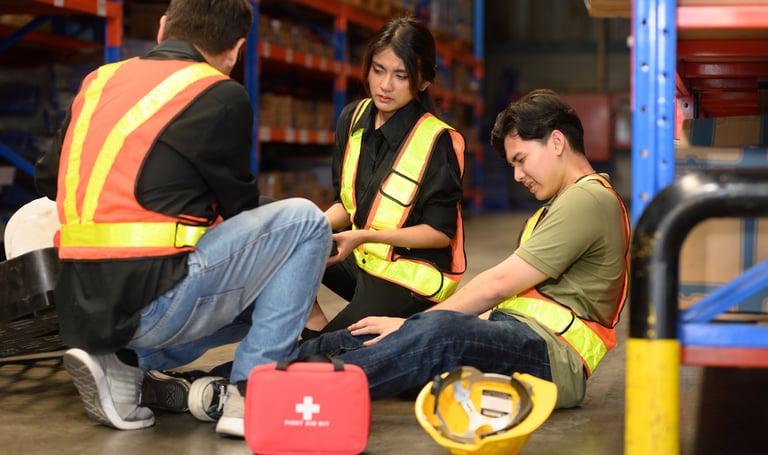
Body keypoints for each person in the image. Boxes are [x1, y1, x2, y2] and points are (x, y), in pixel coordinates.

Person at [33, 0, 332, 438]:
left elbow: (48, 177)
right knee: (305, 223)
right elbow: (239, 206)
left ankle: (124, 364)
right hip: (153, 306)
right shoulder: (219, 92)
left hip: (78, 300)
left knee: (279, 298)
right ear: (236, 50)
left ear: (161, 28)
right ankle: (250, 394)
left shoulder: (99, 81)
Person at [297, 89, 630, 409]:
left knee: (438, 332)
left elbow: (500, 284)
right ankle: (281, 369)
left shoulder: (588, 199)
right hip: (523, 338)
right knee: (382, 333)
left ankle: (312, 390)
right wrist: (411, 326)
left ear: (557, 142)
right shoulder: (565, 203)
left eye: (521, 159)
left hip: (552, 358)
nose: (517, 175)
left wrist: (415, 325)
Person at [303, 17, 467, 338]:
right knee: (283, 240)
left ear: (422, 82)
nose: (384, 85)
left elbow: (439, 233)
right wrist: (309, 230)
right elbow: (345, 203)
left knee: (332, 353)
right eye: (378, 70)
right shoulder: (353, 118)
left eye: (400, 76)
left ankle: (316, 350)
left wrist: (362, 237)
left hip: (411, 278)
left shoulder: (437, 140)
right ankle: (315, 339)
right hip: (363, 260)